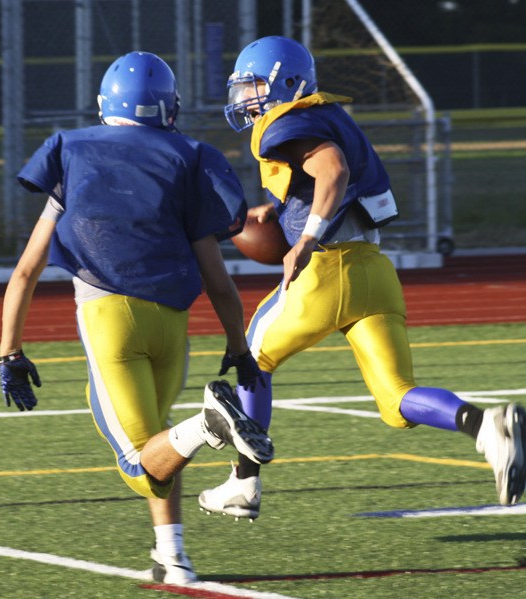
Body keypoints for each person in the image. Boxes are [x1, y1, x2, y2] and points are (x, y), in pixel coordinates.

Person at [198, 35, 526, 521]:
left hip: (327, 270)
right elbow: (333, 180)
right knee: (396, 398)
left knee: (252, 360)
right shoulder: (330, 114)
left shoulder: (284, 123)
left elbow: (332, 170)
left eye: (251, 87)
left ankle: (243, 485)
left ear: (284, 83)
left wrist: (305, 239)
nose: (245, 99)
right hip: (374, 270)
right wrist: (287, 209)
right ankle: (486, 425)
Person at [0, 51, 273, 585]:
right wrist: (240, 351)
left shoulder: (74, 153)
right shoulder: (186, 159)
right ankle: (173, 557)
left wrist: (10, 350)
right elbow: (219, 280)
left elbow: (27, 270)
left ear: (105, 104)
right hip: (173, 324)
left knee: (137, 462)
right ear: (169, 108)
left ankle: (210, 423)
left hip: (109, 320)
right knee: (159, 445)